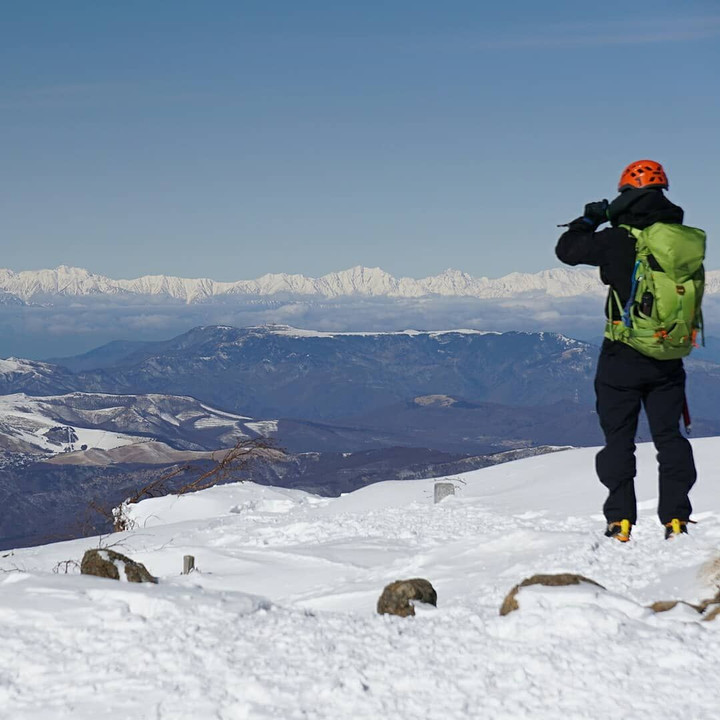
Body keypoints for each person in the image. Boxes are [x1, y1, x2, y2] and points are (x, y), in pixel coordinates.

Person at [555, 160, 700, 542]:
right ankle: (676, 519)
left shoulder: (619, 238)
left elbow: (566, 251)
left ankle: (620, 520)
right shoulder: (680, 239)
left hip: (622, 355)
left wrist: (589, 219)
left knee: (619, 440)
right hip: (669, 354)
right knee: (669, 438)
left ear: (624, 195)